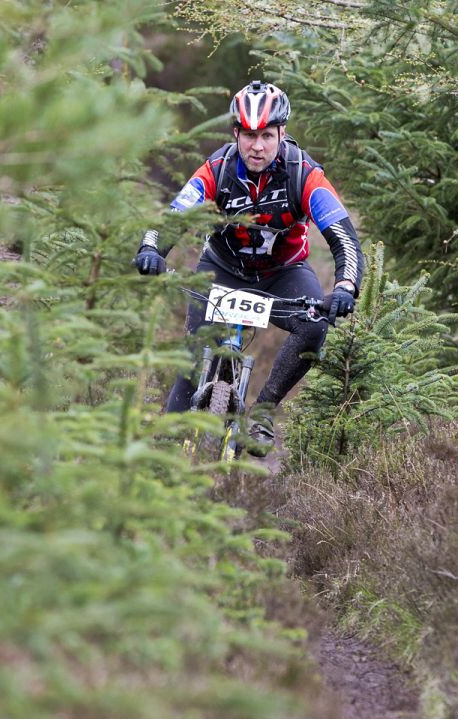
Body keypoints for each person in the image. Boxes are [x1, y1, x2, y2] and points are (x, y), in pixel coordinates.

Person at [134, 80, 365, 457]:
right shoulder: (218, 169)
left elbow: (344, 238)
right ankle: (162, 462)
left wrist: (344, 287)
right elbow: (172, 217)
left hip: (283, 273)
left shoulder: (303, 174)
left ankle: (263, 413)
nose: (258, 146)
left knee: (314, 326)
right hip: (221, 269)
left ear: (282, 134)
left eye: (267, 136)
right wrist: (151, 249)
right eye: (249, 135)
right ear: (236, 133)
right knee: (192, 362)